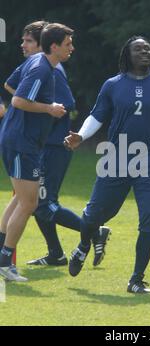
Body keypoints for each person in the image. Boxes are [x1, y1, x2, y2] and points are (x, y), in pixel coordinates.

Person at [64, 36, 150, 294]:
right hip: (115, 158)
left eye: (148, 48)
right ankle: (83, 246)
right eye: (138, 48)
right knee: (94, 215)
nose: (145, 51)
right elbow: (97, 115)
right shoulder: (113, 85)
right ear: (128, 54)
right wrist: (81, 135)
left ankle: (136, 278)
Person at [3, 21, 110, 267]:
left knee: (39, 202)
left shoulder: (52, 70)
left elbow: (65, 104)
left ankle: (92, 232)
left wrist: (47, 110)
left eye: (28, 41)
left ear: (43, 45)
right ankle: (53, 253)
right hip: (31, 143)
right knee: (32, 202)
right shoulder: (37, 65)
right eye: (68, 44)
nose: (23, 45)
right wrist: (40, 106)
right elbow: (14, 90)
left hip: (52, 145)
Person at [0, 23, 74, 282]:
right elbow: (19, 100)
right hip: (22, 142)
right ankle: (5, 261)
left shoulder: (38, 62)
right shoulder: (42, 68)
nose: (71, 49)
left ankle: (2, 255)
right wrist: (49, 108)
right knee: (29, 203)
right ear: (53, 46)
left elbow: (11, 85)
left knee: (20, 200)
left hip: (19, 140)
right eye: (67, 45)